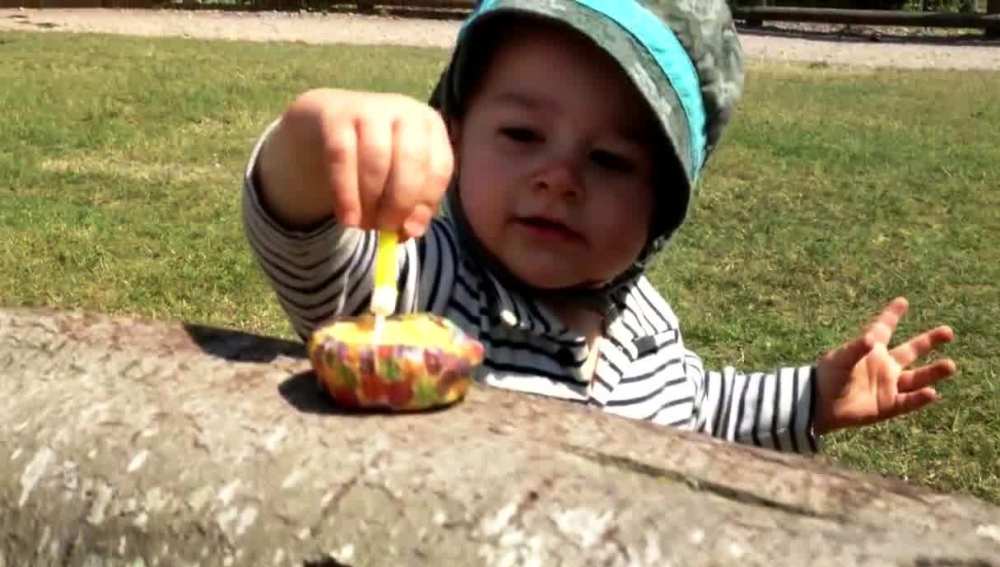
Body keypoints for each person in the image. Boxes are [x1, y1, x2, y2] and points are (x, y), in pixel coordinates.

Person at [242, 0, 957, 453]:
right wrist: (317, 138)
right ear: (454, 130)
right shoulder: (423, 286)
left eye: (611, 160)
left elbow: (702, 411)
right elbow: (296, 234)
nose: (560, 178)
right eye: (522, 133)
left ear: (662, 212)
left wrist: (811, 399)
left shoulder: (647, 326)